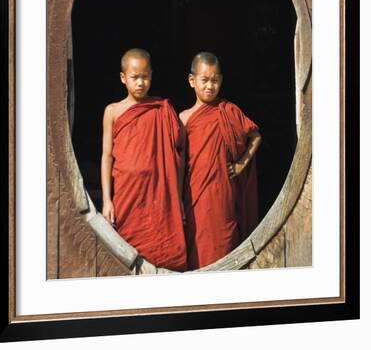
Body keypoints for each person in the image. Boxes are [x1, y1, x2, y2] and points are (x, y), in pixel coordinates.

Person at [100, 48, 187, 272]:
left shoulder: (162, 110)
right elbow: (106, 156)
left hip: (159, 197)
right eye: (134, 77)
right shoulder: (113, 111)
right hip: (127, 195)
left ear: (152, 75)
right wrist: (107, 200)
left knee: (162, 252)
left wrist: (178, 196)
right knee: (124, 255)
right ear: (123, 78)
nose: (140, 83)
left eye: (145, 76)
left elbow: (179, 150)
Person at [180, 52, 262, 270]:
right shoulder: (184, 119)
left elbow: (255, 136)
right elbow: (176, 163)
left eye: (215, 81)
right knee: (198, 245)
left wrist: (242, 163)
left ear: (221, 81)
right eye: (204, 80)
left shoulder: (229, 111)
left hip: (223, 194)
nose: (210, 86)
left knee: (224, 242)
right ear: (192, 81)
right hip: (194, 194)